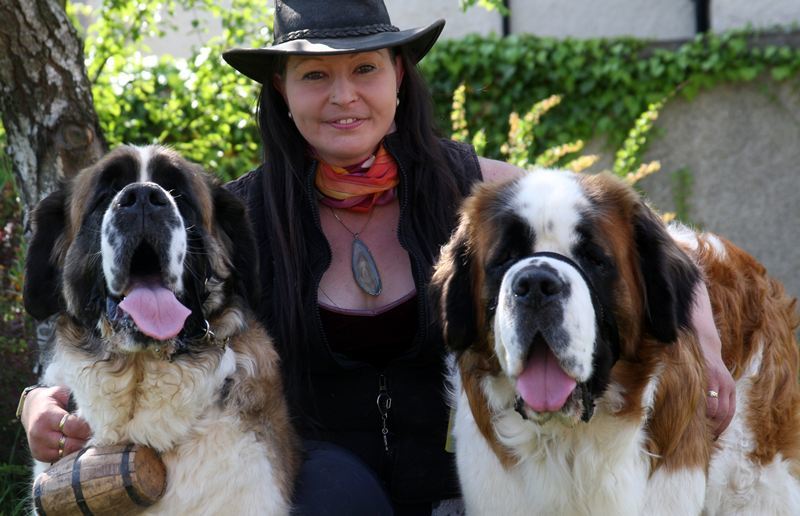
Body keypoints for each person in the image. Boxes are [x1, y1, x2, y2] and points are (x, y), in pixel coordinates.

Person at [19, 0, 735, 514]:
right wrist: (39, 402)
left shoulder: (472, 187)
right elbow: (141, 324)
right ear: (282, 91)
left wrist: (705, 344)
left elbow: (641, 238)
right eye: (314, 76)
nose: (343, 97)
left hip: (473, 469)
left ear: (398, 76)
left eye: (364, 69)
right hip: (330, 479)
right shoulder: (242, 215)